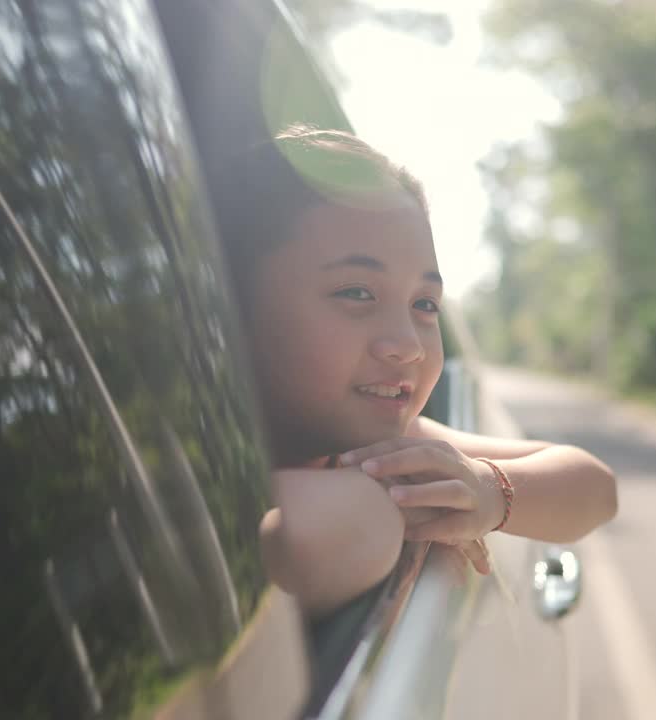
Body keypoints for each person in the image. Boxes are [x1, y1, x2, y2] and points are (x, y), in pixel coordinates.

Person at [212, 125, 616, 617]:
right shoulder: (204, 483)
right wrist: (389, 501)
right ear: (234, 308)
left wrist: (488, 492)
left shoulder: (392, 446)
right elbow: (304, 543)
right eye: (357, 293)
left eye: (425, 304)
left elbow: (596, 486)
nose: (408, 346)